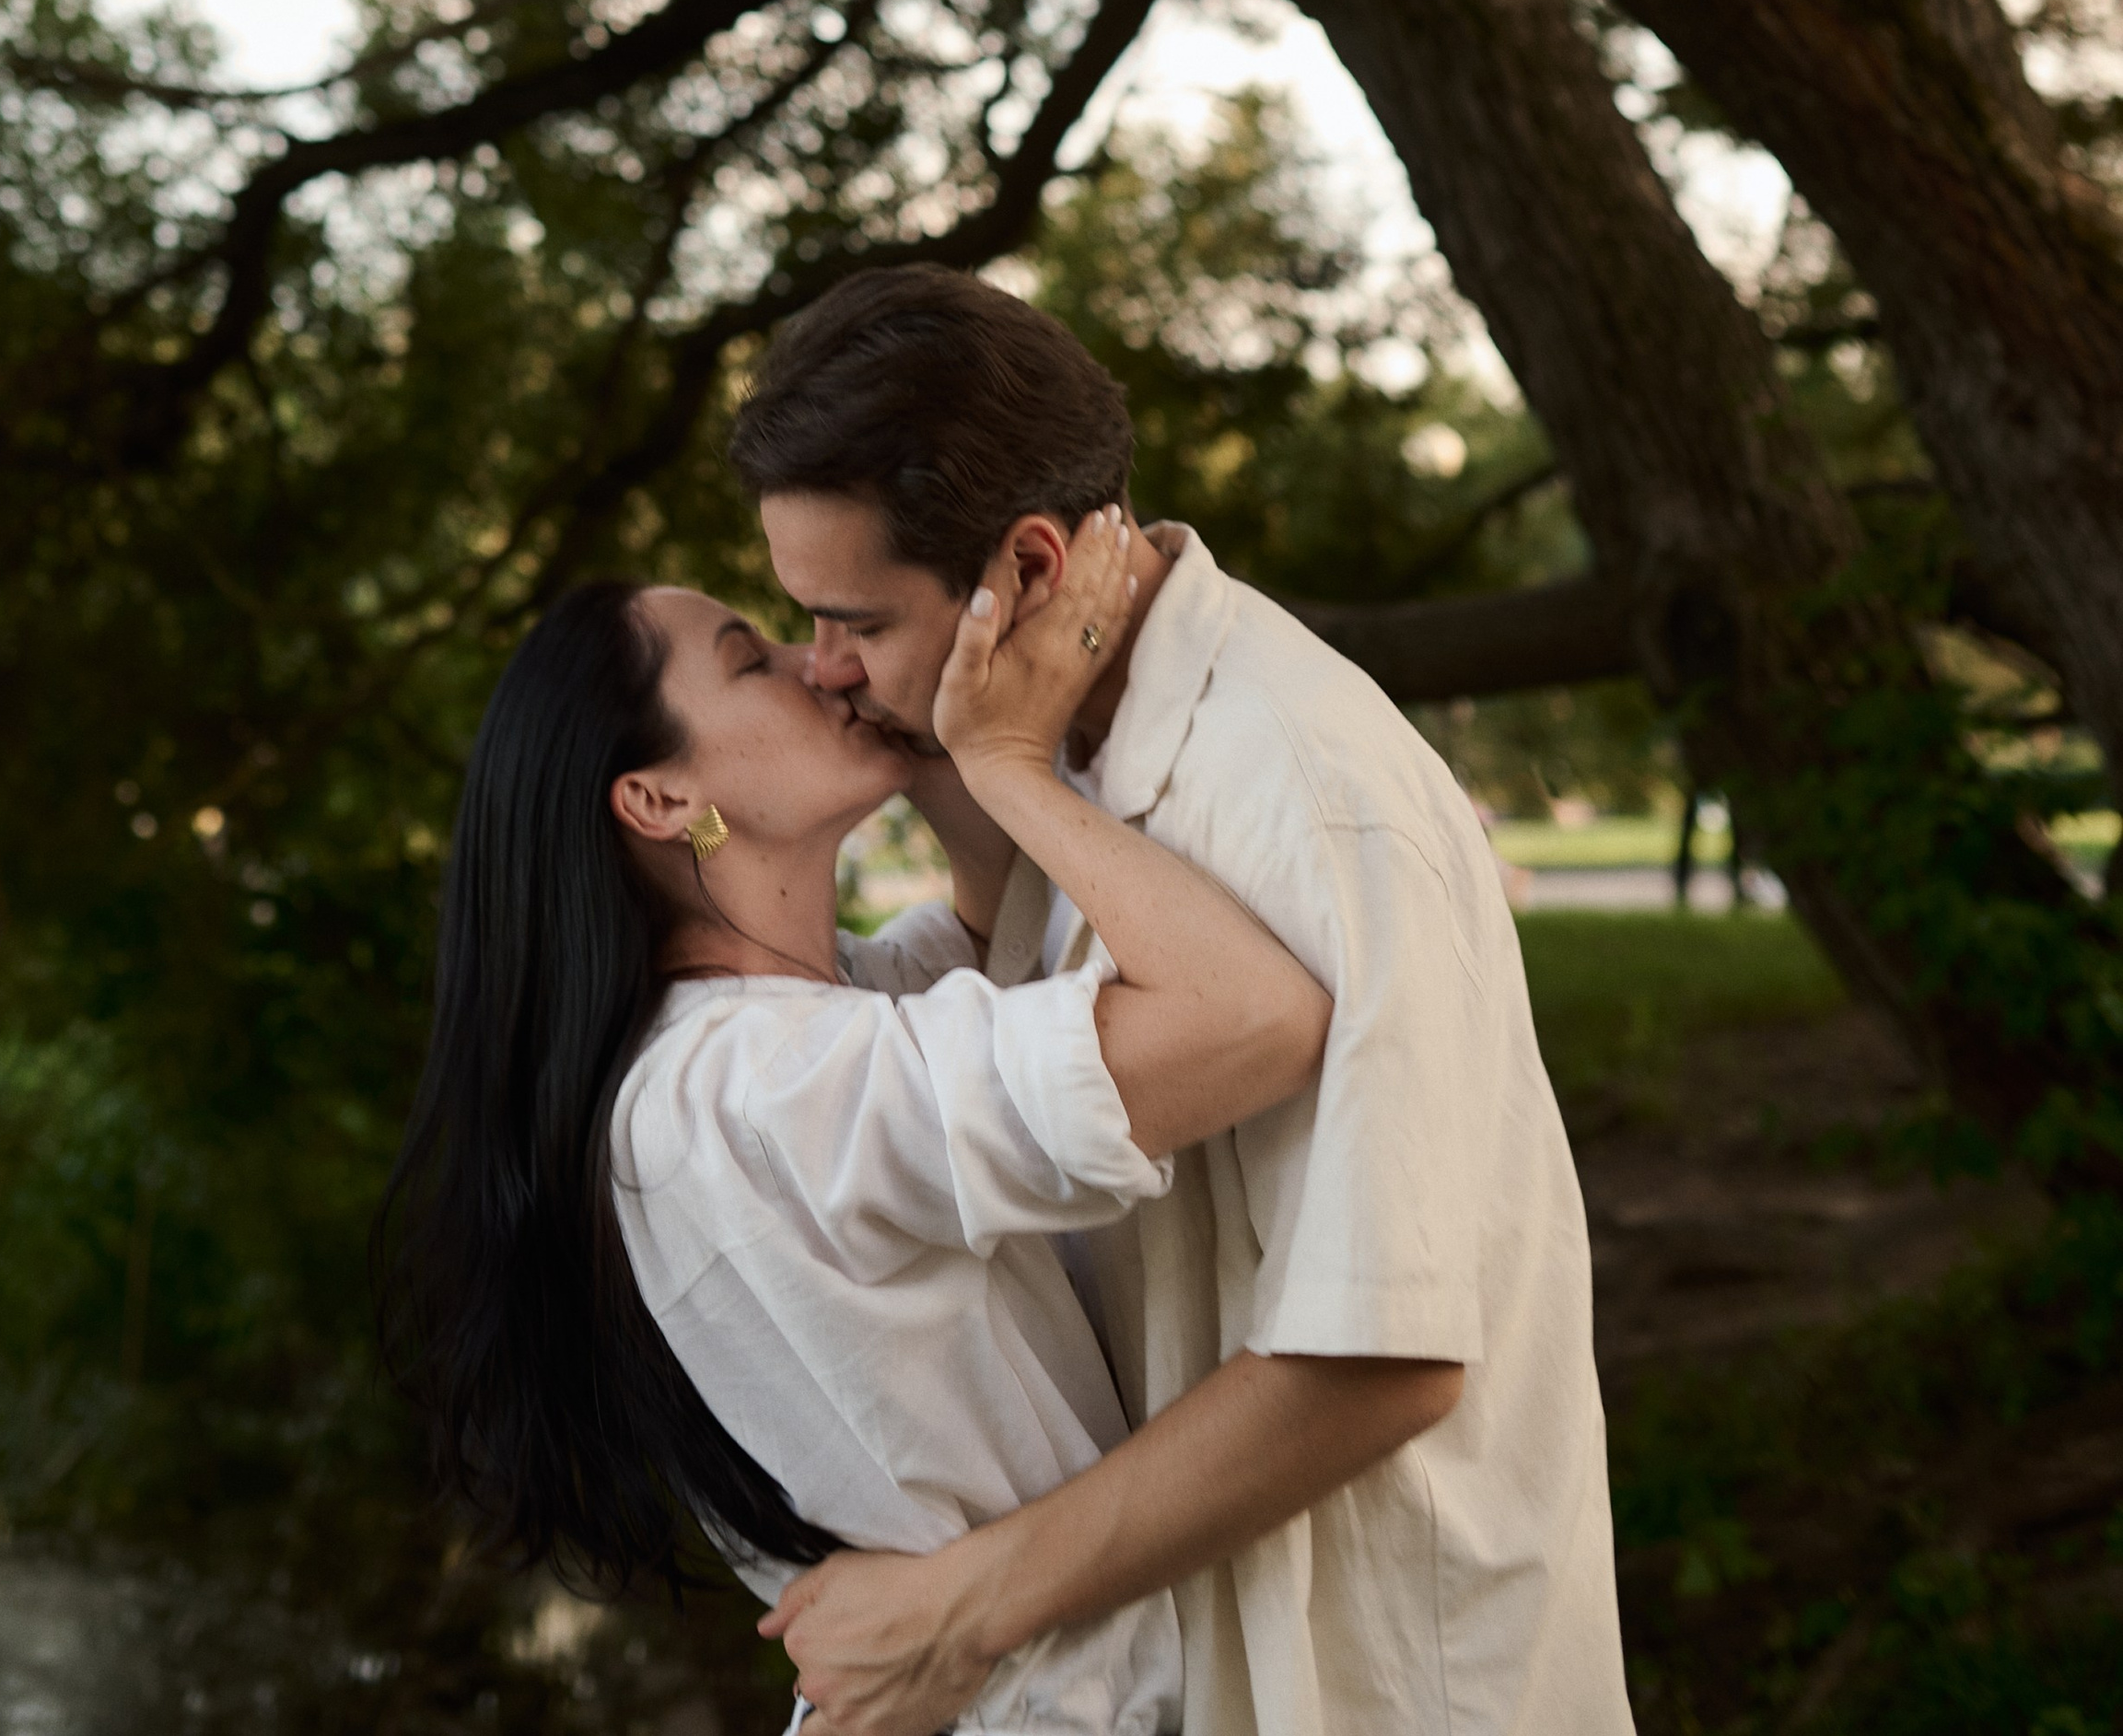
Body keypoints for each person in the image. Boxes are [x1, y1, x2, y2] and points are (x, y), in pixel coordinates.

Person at [734, 263, 1635, 1736]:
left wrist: (962, 1607)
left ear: (1027, 566)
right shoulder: (1061, 735)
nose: (821, 672)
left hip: (1388, 1677)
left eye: (852, 623)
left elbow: (1380, 1351)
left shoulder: (1299, 794)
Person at [377, 502, 1333, 1735]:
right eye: (749, 658)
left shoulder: (800, 1022)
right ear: (664, 799)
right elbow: (1250, 1014)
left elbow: (1001, 938)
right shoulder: (750, 1087)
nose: (818, 660)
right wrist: (1005, 763)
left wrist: (942, 727)